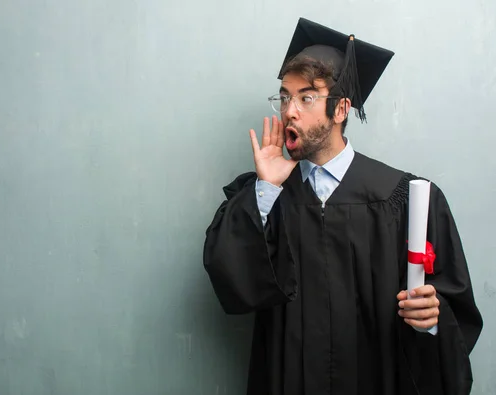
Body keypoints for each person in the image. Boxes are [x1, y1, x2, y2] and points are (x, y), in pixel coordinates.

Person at [202, 18, 482, 395]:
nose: (290, 111)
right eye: (284, 97)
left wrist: (432, 318)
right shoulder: (265, 194)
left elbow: (453, 311)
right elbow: (231, 276)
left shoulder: (404, 199)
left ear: (341, 109)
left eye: (306, 97)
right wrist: (266, 187)